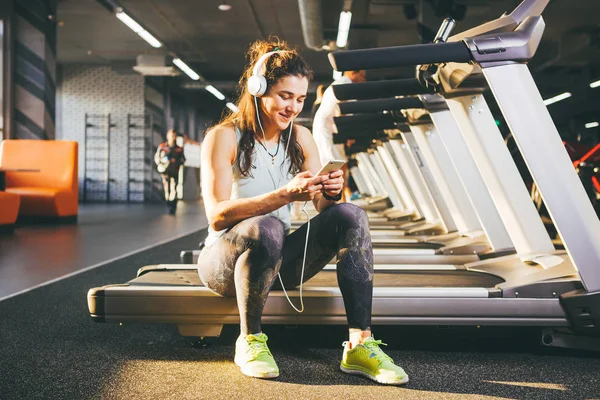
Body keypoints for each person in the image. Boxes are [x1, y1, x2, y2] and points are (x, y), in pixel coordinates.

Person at [197, 38, 408, 385]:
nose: (293, 107)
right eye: (284, 96)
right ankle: (249, 340)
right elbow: (217, 215)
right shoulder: (224, 137)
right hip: (225, 261)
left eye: (300, 99)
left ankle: (360, 344)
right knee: (267, 227)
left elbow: (325, 209)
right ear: (258, 89)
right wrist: (282, 196)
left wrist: (331, 190)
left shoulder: (301, 138)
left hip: (279, 261)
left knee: (350, 216)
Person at [312, 70, 366, 201]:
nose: (364, 79)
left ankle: (341, 200)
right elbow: (343, 110)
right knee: (332, 164)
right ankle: (330, 200)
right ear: (353, 73)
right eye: (362, 75)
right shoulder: (345, 84)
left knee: (342, 163)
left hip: (334, 127)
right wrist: (348, 133)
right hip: (327, 128)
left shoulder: (344, 83)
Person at [154, 129, 185, 214]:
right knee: (167, 190)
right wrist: (163, 162)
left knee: (174, 190)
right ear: (168, 136)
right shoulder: (162, 147)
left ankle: (173, 206)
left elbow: (183, 159)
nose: (172, 137)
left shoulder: (179, 149)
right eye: (171, 135)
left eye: (174, 135)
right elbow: (157, 158)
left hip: (175, 171)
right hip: (165, 172)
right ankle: (168, 205)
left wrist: (176, 161)